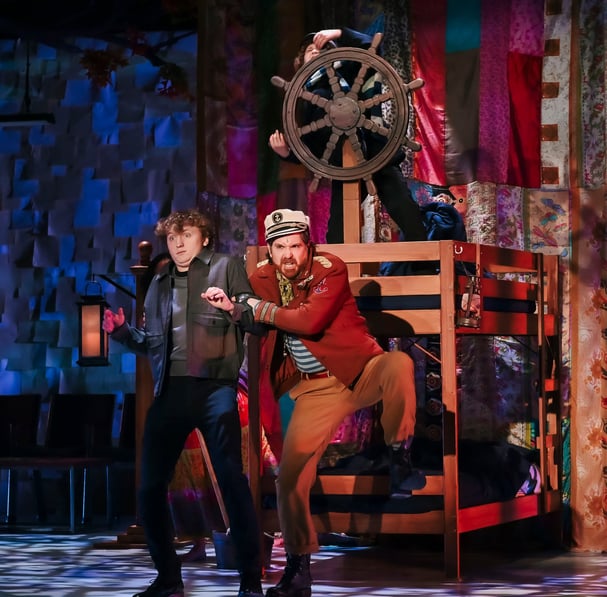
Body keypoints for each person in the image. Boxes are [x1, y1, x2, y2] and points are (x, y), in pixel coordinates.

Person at [247, 208, 425, 597]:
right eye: (280, 247)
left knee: (398, 363)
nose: (288, 255)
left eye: (295, 246)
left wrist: (261, 309)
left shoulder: (331, 268)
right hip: (314, 388)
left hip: (359, 370)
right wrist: (237, 307)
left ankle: (399, 455)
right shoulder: (260, 277)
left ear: (308, 246)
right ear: (270, 251)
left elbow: (309, 321)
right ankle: (298, 570)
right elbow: (244, 311)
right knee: (290, 479)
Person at [103, 209, 264, 597]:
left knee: (232, 481)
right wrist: (122, 332)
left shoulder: (225, 267)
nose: (178, 244)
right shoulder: (159, 283)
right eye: (173, 238)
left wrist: (231, 307)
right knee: (149, 488)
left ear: (204, 238)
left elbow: (255, 319)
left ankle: (250, 580)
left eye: (186, 235)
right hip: (170, 391)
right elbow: (152, 343)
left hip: (214, 389)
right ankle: (168, 579)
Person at [269, 28, 427, 245]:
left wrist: (338, 33)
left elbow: (371, 47)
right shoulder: (310, 96)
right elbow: (312, 146)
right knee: (337, 236)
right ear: (300, 62)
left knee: (408, 216)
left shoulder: (351, 71)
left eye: (322, 49)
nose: (315, 51)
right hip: (344, 167)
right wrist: (286, 152)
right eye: (309, 50)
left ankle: (426, 262)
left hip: (377, 155)